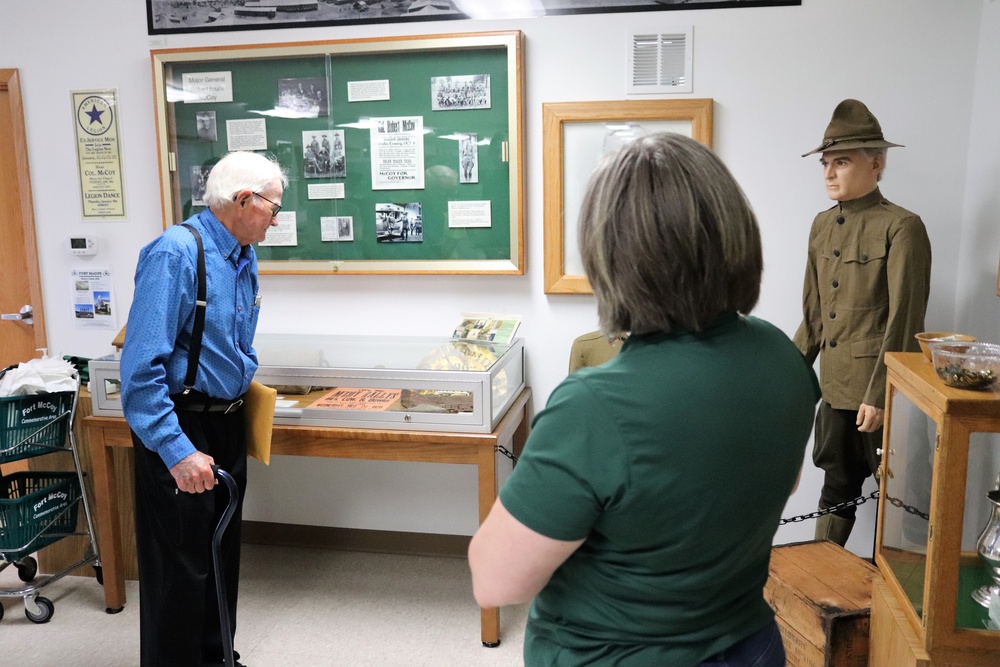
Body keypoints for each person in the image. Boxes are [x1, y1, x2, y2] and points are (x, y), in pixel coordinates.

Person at [469, 133, 820, 666]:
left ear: (610, 257)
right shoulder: (780, 355)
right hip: (750, 646)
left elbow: (496, 580)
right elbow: (782, 481)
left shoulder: (595, 406)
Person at [120, 150, 286, 667]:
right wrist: (176, 451)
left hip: (227, 423)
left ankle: (216, 658)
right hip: (181, 426)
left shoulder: (241, 251)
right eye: (273, 208)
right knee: (180, 567)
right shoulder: (176, 252)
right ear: (242, 201)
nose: (276, 219)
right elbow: (140, 368)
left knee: (219, 555)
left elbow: (235, 336)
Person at [794, 99, 932, 546]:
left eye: (842, 162)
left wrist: (880, 394)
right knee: (836, 484)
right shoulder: (821, 226)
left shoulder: (902, 227)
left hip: (881, 393)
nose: (829, 173)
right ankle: (823, 576)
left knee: (897, 494)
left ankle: (899, 598)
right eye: (826, 163)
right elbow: (814, 317)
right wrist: (788, 374)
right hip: (835, 389)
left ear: (876, 164)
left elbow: (905, 318)